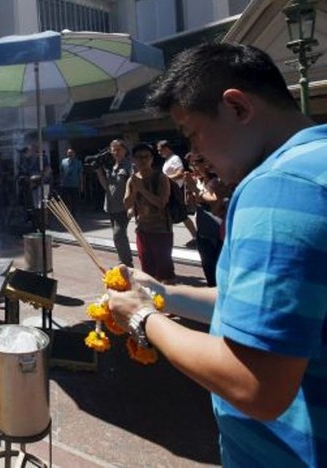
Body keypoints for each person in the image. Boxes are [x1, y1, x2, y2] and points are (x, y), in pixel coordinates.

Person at [108, 43, 326, 466]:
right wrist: (163, 295)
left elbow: (254, 385)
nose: (195, 152)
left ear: (238, 107)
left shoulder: (281, 186)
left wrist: (141, 318)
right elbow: (258, 309)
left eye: (192, 133)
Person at [123, 142, 175, 282]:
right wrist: (135, 189)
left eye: (146, 156)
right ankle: (152, 301)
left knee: (165, 273)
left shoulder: (161, 178)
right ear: (134, 159)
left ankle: (169, 301)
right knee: (147, 272)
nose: (143, 160)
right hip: (142, 230)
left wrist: (142, 189)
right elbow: (126, 204)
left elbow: (161, 203)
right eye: (139, 157)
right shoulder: (132, 180)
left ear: (152, 159)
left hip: (161, 231)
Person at [183, 153, 231, 286]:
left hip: (218, 231)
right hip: (203, 230)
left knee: (220, 270)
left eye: (196, 164)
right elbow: (192, 205)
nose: (194, 168)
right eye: (192, 165)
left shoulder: (217, 181)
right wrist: (189, 191)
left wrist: (195, 190)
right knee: (208, 268)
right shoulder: (198, 181)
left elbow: (215, 199)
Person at [94, 139, 133, 266]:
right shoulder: (111, 167)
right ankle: (122, 261)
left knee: (118, 234)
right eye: (113, 149)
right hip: (111, 206)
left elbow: (134, 184)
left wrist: (132, 205)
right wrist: (99, 172)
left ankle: (127, 263)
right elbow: (107, 187)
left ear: (125, 150)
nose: (116, 152)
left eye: (119, 149)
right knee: (117, 236)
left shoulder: (129, 166)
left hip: (123, 206)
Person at [156, 140, 198, 248]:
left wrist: (164, 179)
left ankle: (196, 237)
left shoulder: (175, 159)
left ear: (167, 148)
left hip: (174, 191)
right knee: (171, 215)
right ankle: (168, 238)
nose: (159, 152)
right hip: (169, 190)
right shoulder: (168, 160)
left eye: (160, 150)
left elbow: (180, 174)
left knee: (181, 215)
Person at [58, 148, 83, 217]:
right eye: (69, 153)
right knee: (65, 199)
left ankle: (73, 213)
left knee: (74, 200)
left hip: (75, 184)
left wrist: (82, 185)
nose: (70, 154)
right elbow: (61, 173)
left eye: (71, 153)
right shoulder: (63, 161)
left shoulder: (78, 162)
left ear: (74, 154)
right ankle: (67, 212)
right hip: (65, 184)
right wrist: (61, 182)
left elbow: (80, 174)